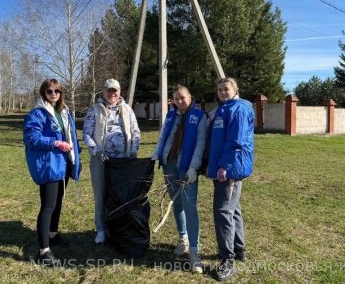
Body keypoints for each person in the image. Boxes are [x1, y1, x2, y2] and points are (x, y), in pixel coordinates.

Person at [23, 78, 81, 267]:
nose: (54, 94)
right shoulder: (38, 113)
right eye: (49, 91)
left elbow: (70, 135)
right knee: (48, 206)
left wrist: (75, 156)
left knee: (57, 203)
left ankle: (53, 234)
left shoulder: (63, 111)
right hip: (49, 165)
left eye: (57, 91)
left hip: (63, 164)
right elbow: (31, 137)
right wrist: (54, 143)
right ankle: (43, 252)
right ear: (43, 93)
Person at [151, 85, 207, 274]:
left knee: (190, 207)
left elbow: (200, 144)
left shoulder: (199, 116)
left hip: (187, 167)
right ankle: (182, 239)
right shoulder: (170, 115)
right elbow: (163, 137)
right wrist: (156, 155)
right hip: (170, 164)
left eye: (182, 98)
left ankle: (194, 251)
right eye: (176, 98)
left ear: (190, 97)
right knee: (176, 204)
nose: (180, 101)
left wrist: (193, 168)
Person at [83, 78, 140, 244]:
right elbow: (86, 134)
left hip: (124, 160)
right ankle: (101, 229)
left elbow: (136, 132)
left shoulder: (128, 109)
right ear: (104, 92)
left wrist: (133, 150)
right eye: (109, 90)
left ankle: (119, 228)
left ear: (120, 92)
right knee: (101, 194)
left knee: (121, 194)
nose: (112, 93)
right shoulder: (94, 110)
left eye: (115, 90)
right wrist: (97, 151)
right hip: (101, 160)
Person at [207, 77, 254, 281]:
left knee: (223, 211)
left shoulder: (239, 109)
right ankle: (238, 249)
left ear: (235, 90)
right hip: (222, 166)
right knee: (233, 209)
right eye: (219, 89)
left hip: (229, 168)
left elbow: (236, 141)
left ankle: (228, 259)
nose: (222, 92)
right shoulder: (224, 108)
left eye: (226, 89)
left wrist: (225, 166)